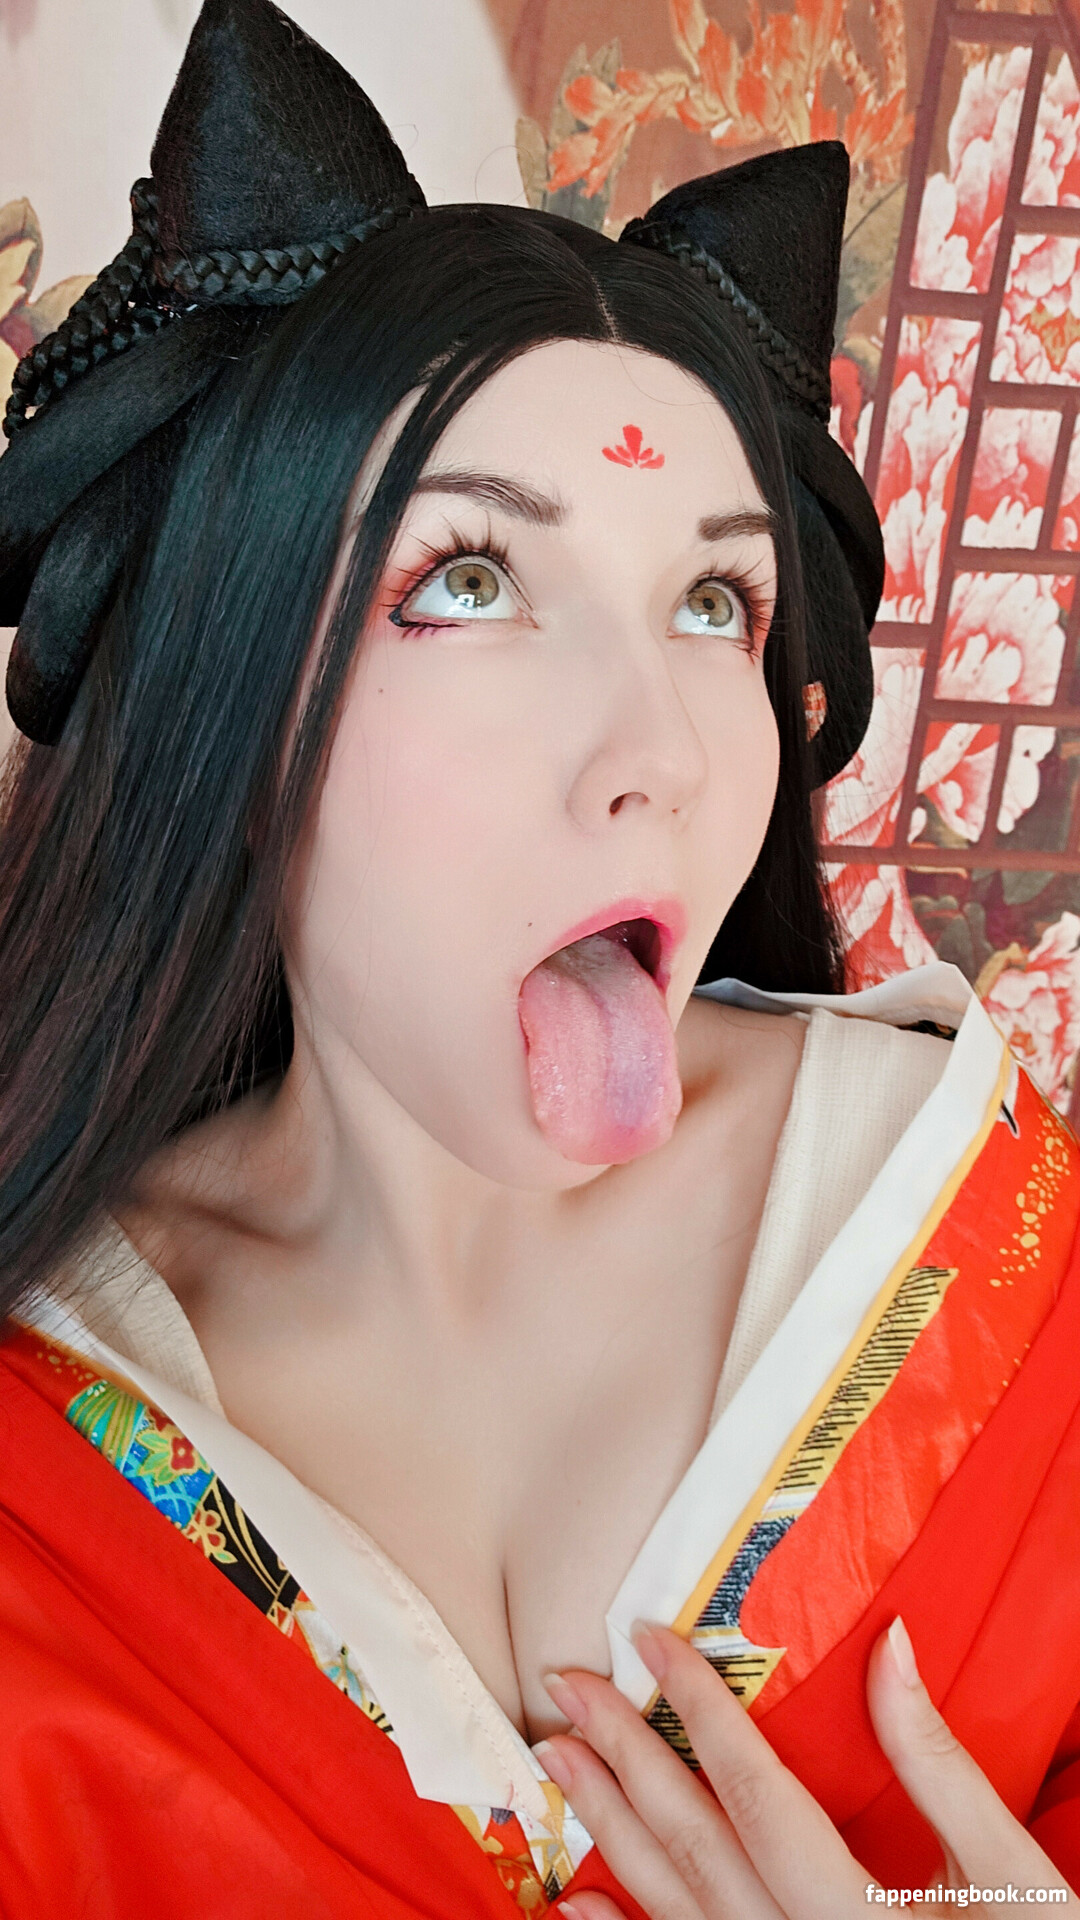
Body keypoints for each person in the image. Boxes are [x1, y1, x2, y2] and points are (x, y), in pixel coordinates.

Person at [0, 2, 1078, 1915]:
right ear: (226, 691)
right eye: (473, 580)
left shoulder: (1018, 1265)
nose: (658, 749)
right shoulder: (42, 1471)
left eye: (715, 600)